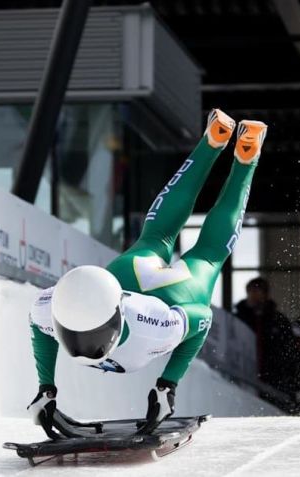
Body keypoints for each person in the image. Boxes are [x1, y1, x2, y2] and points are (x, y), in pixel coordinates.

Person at [26, 110, 268, 438]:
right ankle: (219, 142)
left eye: (88, 338)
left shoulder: (156, 323)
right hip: (130, 279)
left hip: (172, 295)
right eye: (71, 334)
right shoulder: (50, 305)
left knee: (206, 253)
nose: (82, 347)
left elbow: (203, 318)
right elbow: (38, 322)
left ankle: (242, 155)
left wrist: (168, 384)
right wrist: (46, 388)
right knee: (159, 237)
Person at [233, 277, 293, 388]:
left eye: (257, 291)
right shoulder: (238, 318)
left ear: (265, 294)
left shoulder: (278, 320)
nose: (253, 295)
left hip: (273, 377)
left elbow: (288, 349)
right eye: (250, 291)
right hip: (245, 372)